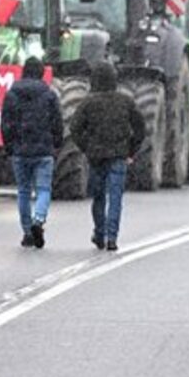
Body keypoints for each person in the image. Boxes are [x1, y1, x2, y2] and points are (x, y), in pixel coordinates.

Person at [70, 61, 145, 252]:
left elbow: (75, 128)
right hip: (119, 155)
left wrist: (86, 147)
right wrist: (131, 150)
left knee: (98, 197)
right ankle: (112, 238)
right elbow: (140, 128)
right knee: (116, 198)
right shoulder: (125, 102)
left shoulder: (88, 102)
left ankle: (100, 233)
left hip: (96, 157)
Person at [0, 57, 62, 249]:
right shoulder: (50, 95)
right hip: (43, 151)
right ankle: (39, 220)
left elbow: (6, 124)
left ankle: (27, 232)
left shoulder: (12, 95)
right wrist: (56, 144)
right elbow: (57, 123)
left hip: (20, 150)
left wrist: (9, 146)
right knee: (43, 189)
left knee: (24, 191)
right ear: (41, 72)